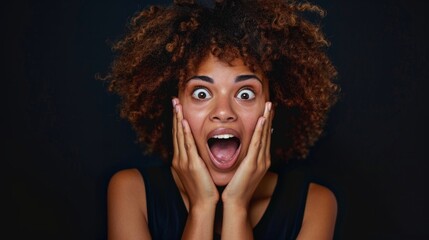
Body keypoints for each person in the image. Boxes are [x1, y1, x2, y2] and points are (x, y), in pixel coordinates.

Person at [103, 0, 339, 239]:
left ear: (270, 110)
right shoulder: (131, 192)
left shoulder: (315, 204)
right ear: (177, 107)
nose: (224, 111)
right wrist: (202, 206)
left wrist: (236, 206)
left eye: (245, 94)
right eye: (201, 93)